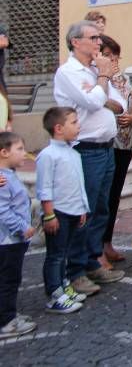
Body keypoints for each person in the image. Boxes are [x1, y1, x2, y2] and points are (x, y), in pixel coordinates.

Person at [53, 21, 125, 295]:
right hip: (86, 149)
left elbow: (116, 103)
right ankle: (76, 269)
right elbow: (94, 102)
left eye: (98, 38)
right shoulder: (68, 72)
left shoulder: (94, 70)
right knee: (84, 211)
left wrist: (99, 86)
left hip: (106, 147)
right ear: (75, 42)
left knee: (101, 208)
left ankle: (93, 260)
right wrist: (103, 81)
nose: (98, 43)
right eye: (93, 38)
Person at [35, 108, 90, 314]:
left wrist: (82, 209)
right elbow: (45, 188)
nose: (79, 126)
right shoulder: (48, 156)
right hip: (58, 214)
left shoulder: (73, 152)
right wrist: (49, 215)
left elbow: (78, 183)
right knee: (56, 255)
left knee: (65, 253)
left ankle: (64, 285)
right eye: (74, 122)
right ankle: (54, 294)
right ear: (59, 128)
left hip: (74, 211)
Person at [97, 36, 132, 269]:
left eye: (115, 55)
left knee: (115, 194)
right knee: (104, 195)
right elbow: (101, 103)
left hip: (125, 140)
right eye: (109, 54)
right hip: (108, 141)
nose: (113, 59)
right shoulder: (98, 79)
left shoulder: (123, 79)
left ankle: (108, 241)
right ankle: (98, 245)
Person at [0, 131, 36, 337]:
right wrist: (22, 227)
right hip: (8, 240)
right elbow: (3, 210)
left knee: (9, 279)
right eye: (20, 149)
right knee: (8, 280)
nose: (25, 153)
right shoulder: (3, 180)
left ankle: (8, 314)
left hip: (13, 240)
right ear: (4, 152)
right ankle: (6, 322)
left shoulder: (8, 175)